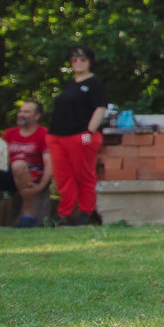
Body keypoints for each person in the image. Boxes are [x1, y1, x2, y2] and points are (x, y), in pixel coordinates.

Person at [46, 48, 111, 227]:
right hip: (57, 135)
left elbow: (100, 108)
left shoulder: (95, 83)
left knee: (84, 174)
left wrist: (89, 132)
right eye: (74, 59)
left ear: (90, 61)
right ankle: (64, 213)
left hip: (82, 136)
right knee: (62, 177)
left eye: (82, 59)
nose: (78, 62)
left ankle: (86, 212)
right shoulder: (70, 84)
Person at [0, 99, 52, 223]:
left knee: (18, 164)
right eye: (20, 111)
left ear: (37, 116)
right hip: (12, 173)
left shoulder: (44, 134)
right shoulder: (10, 133)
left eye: (26, 112)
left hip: (33, 174)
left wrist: (41, 187)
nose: (21, 114)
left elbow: (49, 163)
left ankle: (28, 213)